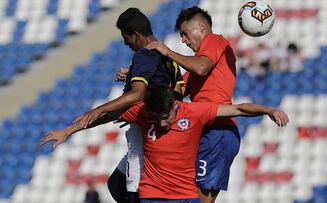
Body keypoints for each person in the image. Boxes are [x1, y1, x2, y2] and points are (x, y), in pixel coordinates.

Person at [41, 85, 289, 203]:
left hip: (187, 197)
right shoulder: (142, 112)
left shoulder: (194, 112)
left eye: (166, 119)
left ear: (174, 106)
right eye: (155, 120)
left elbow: (238, 108)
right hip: (153, 197)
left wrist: (269, 110)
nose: (161, 125)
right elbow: (105, 116)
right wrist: (68, 130)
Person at [72, 8, 184, 203]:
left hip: (146, 129)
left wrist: (99, 109)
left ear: (136, 35)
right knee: (118, 183)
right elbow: (178, 91)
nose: (125, 43)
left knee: (131, 185)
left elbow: (138, 93)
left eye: (126, 37)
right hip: (163, 126)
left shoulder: (143, 55)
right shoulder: (168, 57)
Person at [145, 6, 246, 203]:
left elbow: (201, 67)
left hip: (218, 130)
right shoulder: (196, 65)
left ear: (201, 27)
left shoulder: (215, 42)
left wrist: (167, 51)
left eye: (184, 33)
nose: (183, 39)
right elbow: (176, 93)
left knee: (198, 199)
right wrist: (138, 78)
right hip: (205, 131)